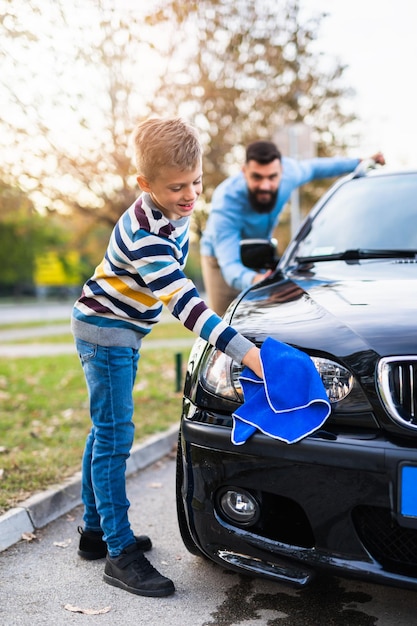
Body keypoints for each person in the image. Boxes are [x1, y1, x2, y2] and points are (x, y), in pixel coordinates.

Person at [71, 117, 262, 598]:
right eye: (176, 187)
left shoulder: (177, 210)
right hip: (106, 333)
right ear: (144, 185)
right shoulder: (144, 234)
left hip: (123, 331)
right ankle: (118, 551)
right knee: (115, 437)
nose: (189, 194)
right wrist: (245, 351)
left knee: (104, 430)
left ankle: (95, 532)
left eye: (196, 182)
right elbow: (184, 301)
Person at [200, 141, 385, 315]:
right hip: (220, 258)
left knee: (264, 317)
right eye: (257, 177)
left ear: (282, 171)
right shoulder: (226, 202)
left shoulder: (291, 173)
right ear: (244, 172)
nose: (265, 185)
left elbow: (317, 168)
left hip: (260, 252)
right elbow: (231, 267)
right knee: (224, 328)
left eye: (272, 177)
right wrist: (258, 280)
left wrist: (360, 162)